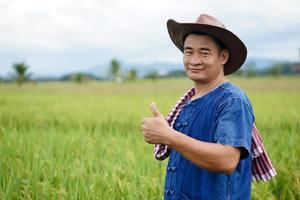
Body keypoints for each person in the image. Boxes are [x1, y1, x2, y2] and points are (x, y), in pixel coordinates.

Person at [141, 14, 275, 200]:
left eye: (204, 53)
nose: (194, 60)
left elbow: (227, 160)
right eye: (188, 52)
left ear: (223, 56)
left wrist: (168, 136)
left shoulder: (232, 100)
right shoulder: (190, 100)